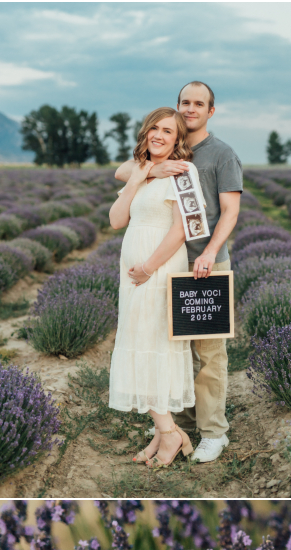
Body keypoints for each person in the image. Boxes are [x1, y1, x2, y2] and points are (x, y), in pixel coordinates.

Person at [116, 79, 242, 465]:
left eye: (198, 103)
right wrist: (153, 171)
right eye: (184, 102)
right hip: (169, 262)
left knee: (208, 353)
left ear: (210, 110)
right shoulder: (164, 148)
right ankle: (173, 425)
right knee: (172, 346)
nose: (190, 109)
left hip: (203, 263)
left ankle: (212, 433)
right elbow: (123, 171)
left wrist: (211, 252)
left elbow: (230, 211)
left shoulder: (221, 154)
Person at [107, 108, 203, 468]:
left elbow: (183, 229)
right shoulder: (143, 171)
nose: (159, 135)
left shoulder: (184, 171)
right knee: (137, 343)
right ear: (146, 132)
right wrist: (143, 173)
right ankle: (167, 434)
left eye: (168, 131)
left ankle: (171, 435)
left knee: (150, 343)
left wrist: (148, 267)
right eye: (155, 129)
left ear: (178, 139)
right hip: (132, 274)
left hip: (158, 270)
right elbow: (117, 220)